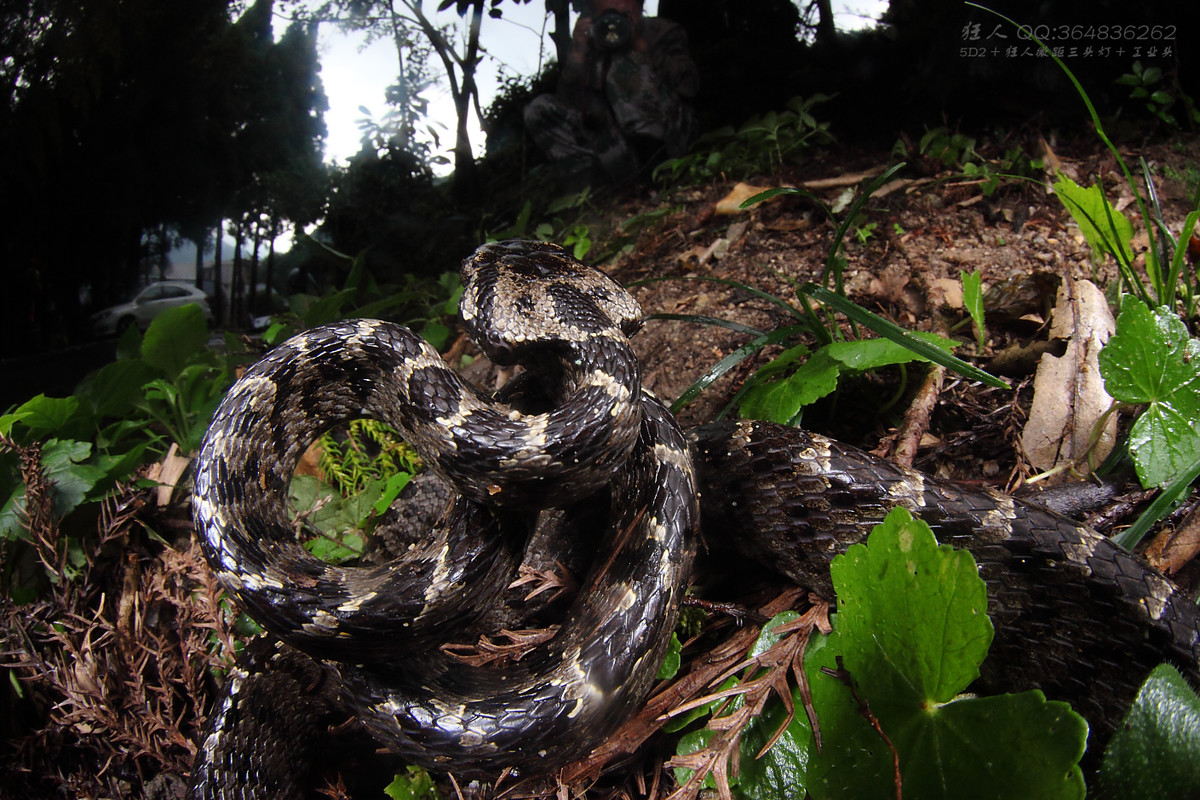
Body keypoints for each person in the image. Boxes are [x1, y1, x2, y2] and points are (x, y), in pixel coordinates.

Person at [524, 0, 699, 185]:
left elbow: (690, 86)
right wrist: (577, 55)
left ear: (639, 5)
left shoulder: (662, 30)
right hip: (615, 146)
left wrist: (640, 47)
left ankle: (656, 170)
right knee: (539, 109)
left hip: (668, 138)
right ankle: (591, 185)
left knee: (622, 65)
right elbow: (568, 103)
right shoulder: (594, 40)